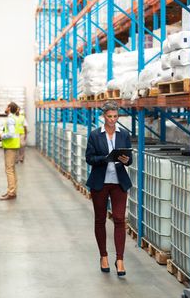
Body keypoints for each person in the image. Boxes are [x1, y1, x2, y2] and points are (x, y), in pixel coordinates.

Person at [85, 101, 132, 276]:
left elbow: (130, 157)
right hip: (100, 182)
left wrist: (127, 160)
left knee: (120, 219)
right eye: (109, 116)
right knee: (100, 220)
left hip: (119, 182)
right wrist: (105, 159)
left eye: (115, 116)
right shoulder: (95, 135)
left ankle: (120, 259)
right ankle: (103, 256)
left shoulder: (124, 134)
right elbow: (89, 158)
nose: (112, 120)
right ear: (103, 116)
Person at [0, 102, 20, 200]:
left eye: (6, 106)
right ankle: (12, 191)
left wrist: (1, 136)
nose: (5, 108)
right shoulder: (15, 118)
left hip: (10, 146)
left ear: (9, 108)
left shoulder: (10, 119)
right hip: (13, 145)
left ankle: (11, 193)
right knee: (12, 169)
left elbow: (11, 133)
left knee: (9, 170)